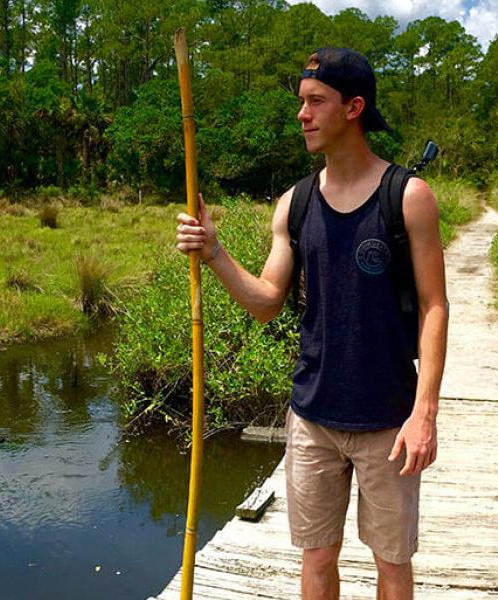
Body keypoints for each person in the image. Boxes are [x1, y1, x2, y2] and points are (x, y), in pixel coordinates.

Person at [174, 47, 449, 600]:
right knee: (316, 558)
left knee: (392, 563)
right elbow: (267, 300)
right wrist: (214, 252)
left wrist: (424, 414)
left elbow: (435, 307)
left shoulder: (408, 198)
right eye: (301, 102)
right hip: (313, 416)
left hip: (389, 419)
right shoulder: (294, 204)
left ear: (353, 108)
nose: (302, 114)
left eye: (315, 102)